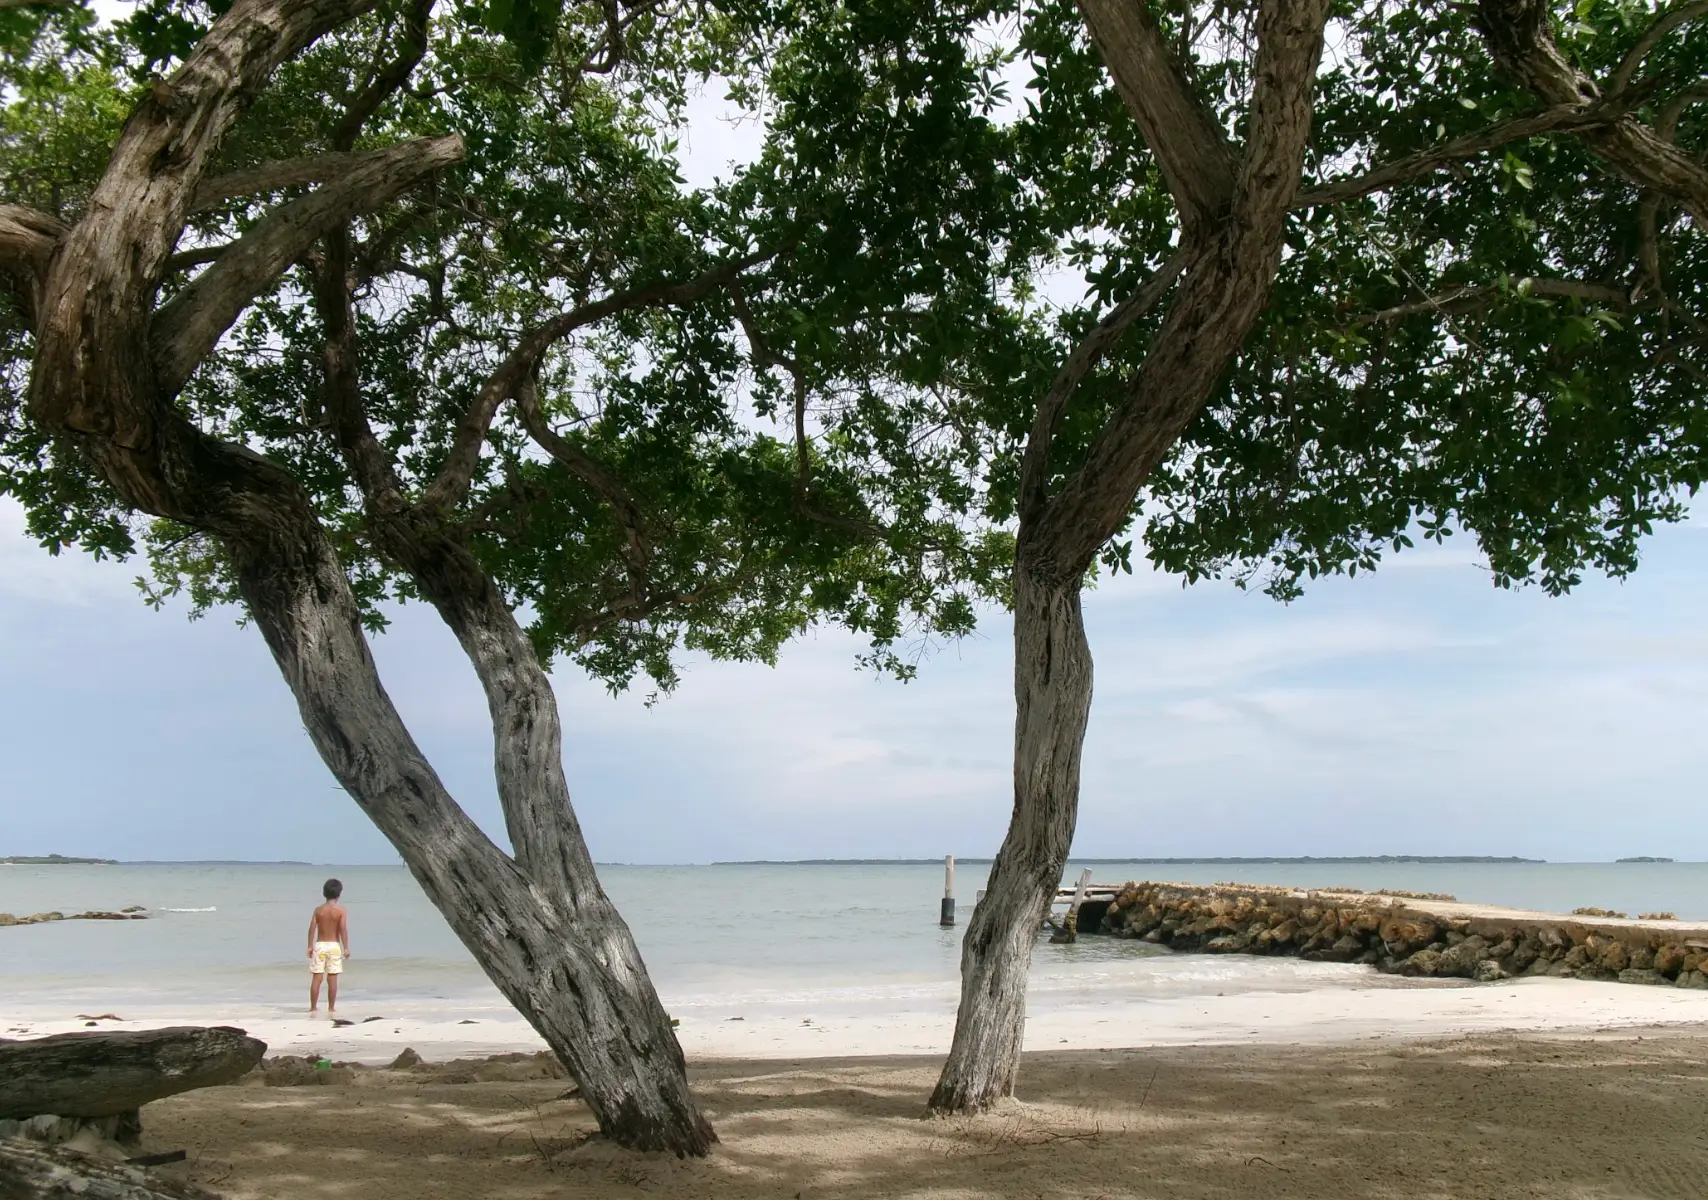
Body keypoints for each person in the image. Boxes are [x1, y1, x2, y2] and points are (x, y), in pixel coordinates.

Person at [307, 878, 351, 1016]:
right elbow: (342, 929)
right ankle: (331, 1008)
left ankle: (313, 1007)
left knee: (317, 978)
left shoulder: (318, 910)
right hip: (334, 945)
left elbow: (312, 929)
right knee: (332, 978)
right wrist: (346, 947)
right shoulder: (341, 911)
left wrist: (310, 946)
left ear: (324, 893)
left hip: (320, 944)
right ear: (339, 894)